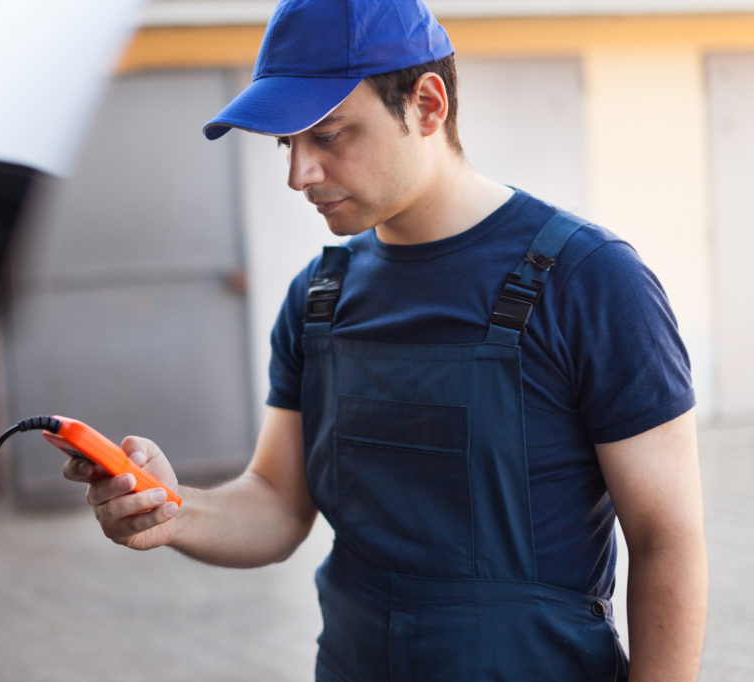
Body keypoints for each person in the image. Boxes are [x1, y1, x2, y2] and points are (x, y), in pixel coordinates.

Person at [64, 0, 707, 679]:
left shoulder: (590, 281)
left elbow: (667, 539)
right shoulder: (319, 299)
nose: (298, 174)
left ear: (428, 105)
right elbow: (279, 503)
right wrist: (172, 509)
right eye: (287, 144)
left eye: (330, 136)